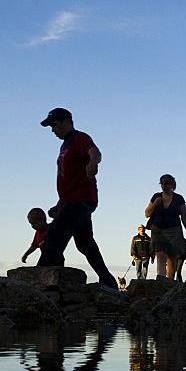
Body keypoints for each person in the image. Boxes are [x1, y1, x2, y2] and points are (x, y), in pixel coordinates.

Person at [37, 108, 119, 289]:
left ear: (67, 122)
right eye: (51, 126)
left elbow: (95, 152)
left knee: (55, 235)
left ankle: (43, 280)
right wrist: (60, 204)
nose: (53, 130)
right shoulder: (65, 145)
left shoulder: (79, 138)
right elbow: (69, 178)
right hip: (71, 199)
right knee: (85, 243)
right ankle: (108, 281)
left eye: (55, 125)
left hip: (81, 198)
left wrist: (92, 162)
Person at [144, 174, 186, 280]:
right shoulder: (156, 196)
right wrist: (155, 204)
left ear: (172, 185)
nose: (164, 186)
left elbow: (184, 217)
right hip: (158, 230)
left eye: (166, 184)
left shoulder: (179, 199)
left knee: (172, 259)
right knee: (160, 256)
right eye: (162, 183)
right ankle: (160, 280)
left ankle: (169, 283)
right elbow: (147, 213)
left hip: (174, 230)